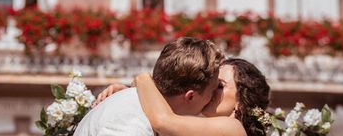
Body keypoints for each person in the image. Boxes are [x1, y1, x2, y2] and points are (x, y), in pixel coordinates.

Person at [73, 37, 224, 136]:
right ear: (190, 96)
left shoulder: (137, 106)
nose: (214, 97)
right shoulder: (132, 124)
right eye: (213, 91)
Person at [96, 58, 270, 136]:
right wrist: (129, 91)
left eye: (219, 86)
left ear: (240, 104)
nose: (209, 89)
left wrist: (143, 79)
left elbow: (163, 121)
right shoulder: (193, 121)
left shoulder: (232, 128)